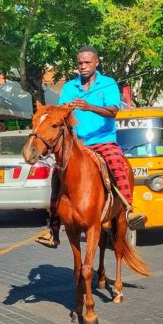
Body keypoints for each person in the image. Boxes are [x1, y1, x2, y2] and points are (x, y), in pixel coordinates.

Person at [35, 45, 145, 248]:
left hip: (103, 140)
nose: (83, 66)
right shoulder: (69, 87)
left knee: (117, 163)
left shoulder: (108, 83)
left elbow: (113, 111)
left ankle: (129, 210)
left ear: (96, 62)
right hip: (76, 144)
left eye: (87, 62)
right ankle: (53, 228)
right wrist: (65, 110)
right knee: (56, 177)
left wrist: (89, 107)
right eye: (80, 63)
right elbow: (60, 115)